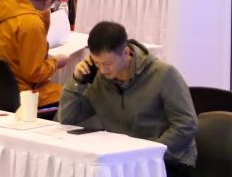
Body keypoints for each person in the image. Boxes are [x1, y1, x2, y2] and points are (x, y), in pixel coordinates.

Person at [60, 21, 200, 177]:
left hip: (168, 162)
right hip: (123, 163)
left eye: (107, 63)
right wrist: (77, 81)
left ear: (126, 53)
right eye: (97, 63)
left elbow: (186, 125)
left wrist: (147, 154)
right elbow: (67, 119)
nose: (103, 70)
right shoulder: (99, 79)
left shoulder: (163, 74)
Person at [0, 0, 71, 109]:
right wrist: (56, 62)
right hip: (21, 94)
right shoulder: (31, 23)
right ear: (49, 2)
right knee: (75, 96)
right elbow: (34, 74)